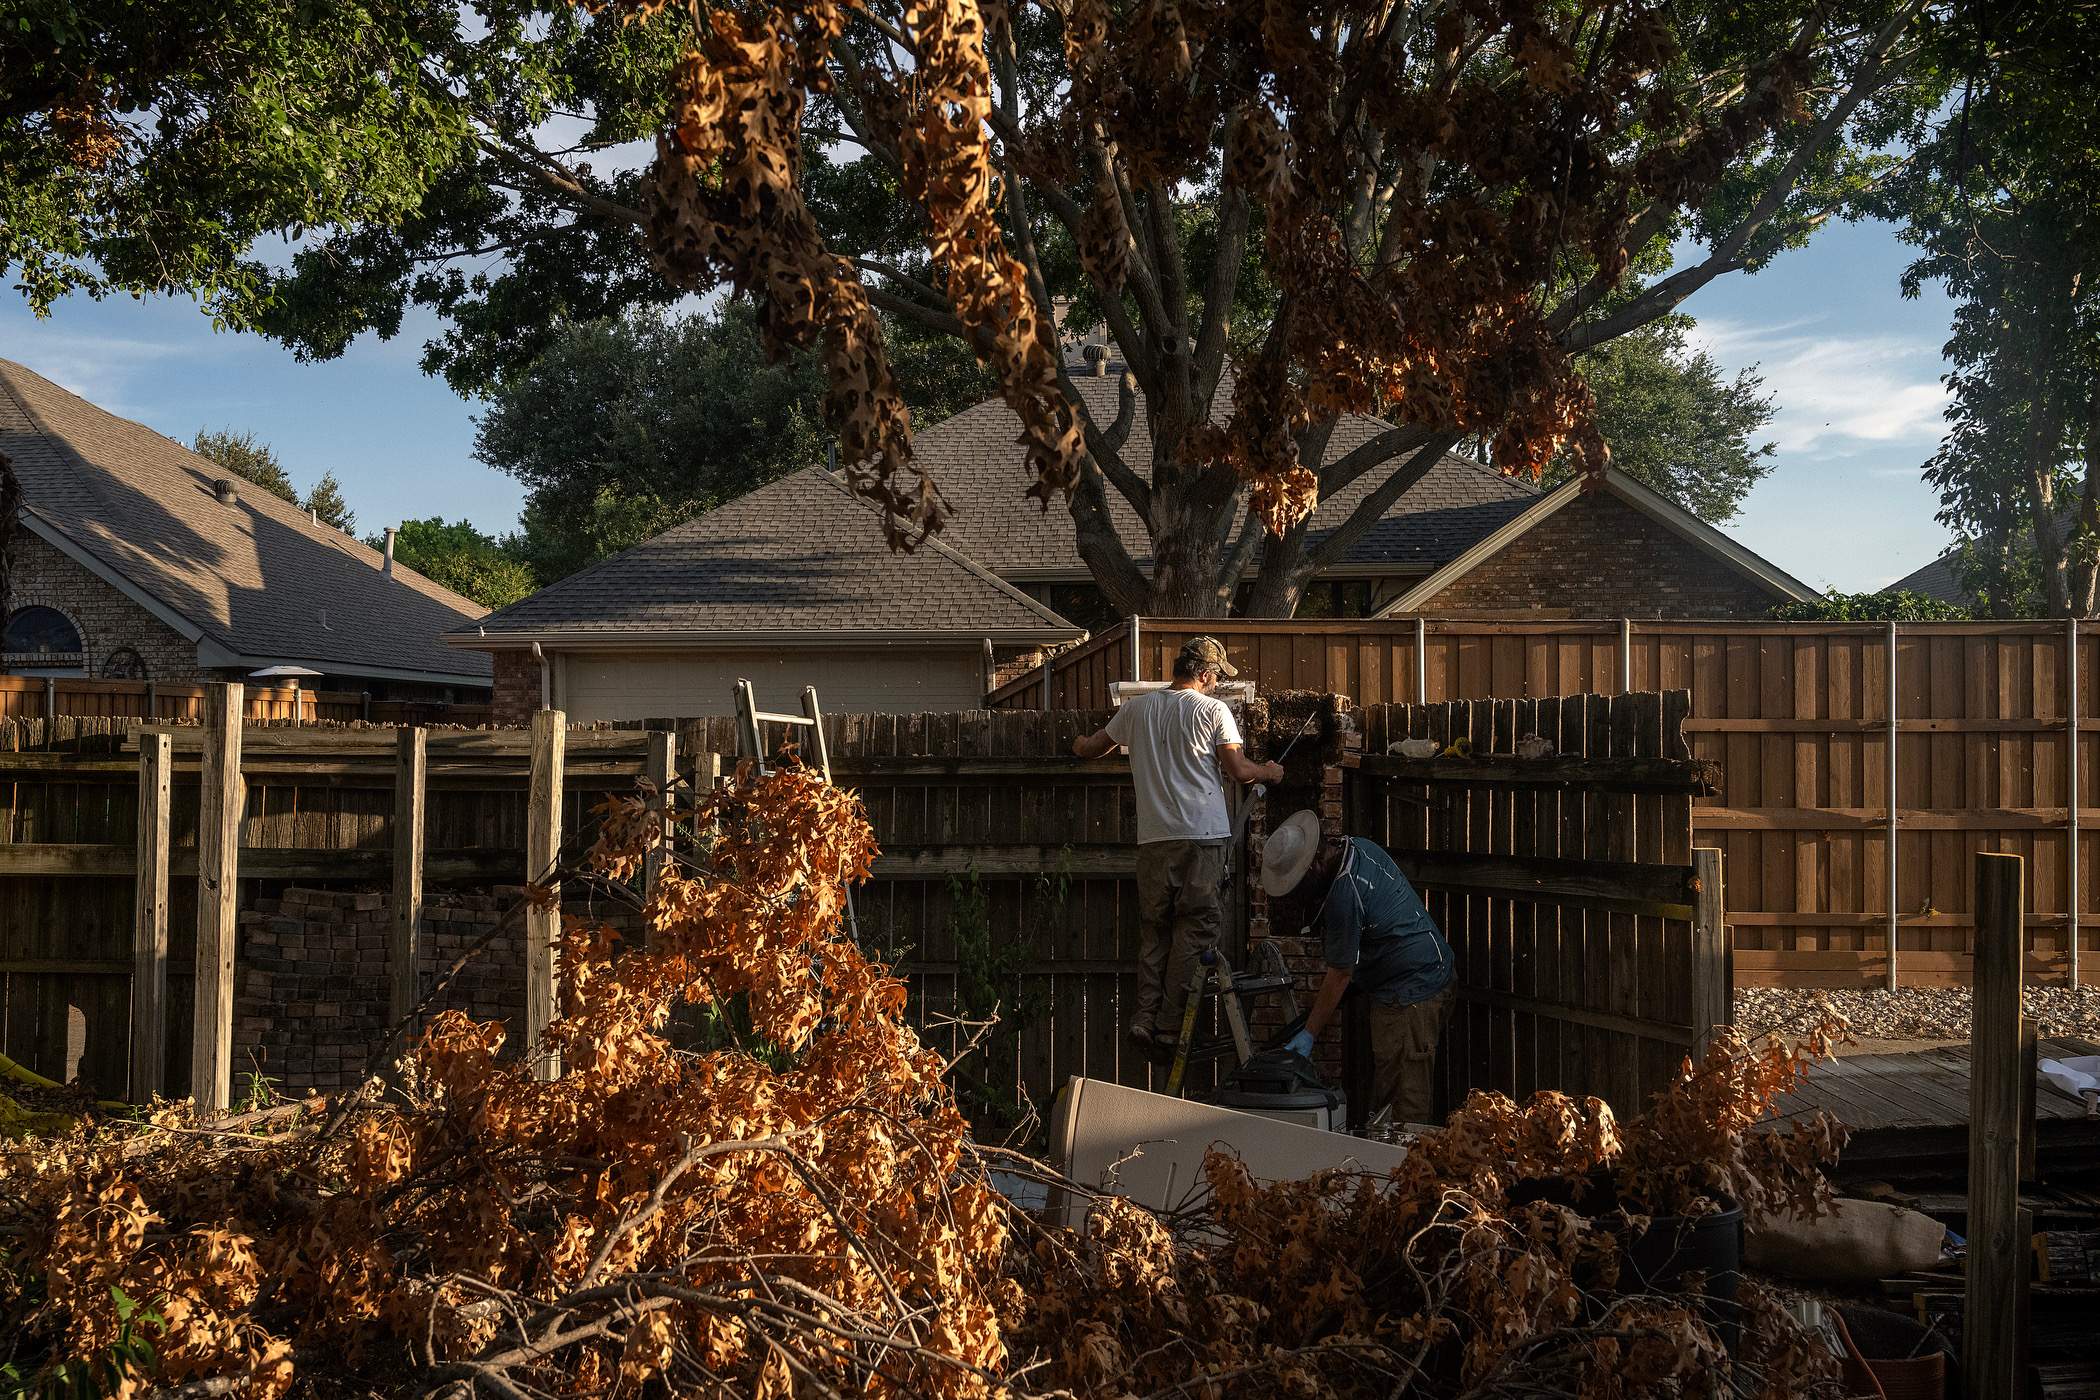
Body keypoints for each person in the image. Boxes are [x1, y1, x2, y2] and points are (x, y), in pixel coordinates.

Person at [1072, 637, 1284, 1048]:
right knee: (1196, 928)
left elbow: (1094, 747)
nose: (1217, 684)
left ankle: (1143, 1018)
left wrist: (1076, 745)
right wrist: (1271, 772)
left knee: (1155, 931)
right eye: (1216, 677)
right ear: (1204, 674)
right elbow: (1239, 770)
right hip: (1202, 840)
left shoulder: (1136, 709)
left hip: (1153, 841)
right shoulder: (1213, 710)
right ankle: (1170, 1025)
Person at [1261, 810, 1454, 1125]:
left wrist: (1310, 1033)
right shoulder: (1357, 846)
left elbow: (1340, 973)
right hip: (1427, 970)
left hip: (1411, 992)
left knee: (1402, 1106)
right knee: (1391, 1093)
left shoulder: (1342, 895)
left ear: (1313, 866)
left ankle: (1406, 1168)